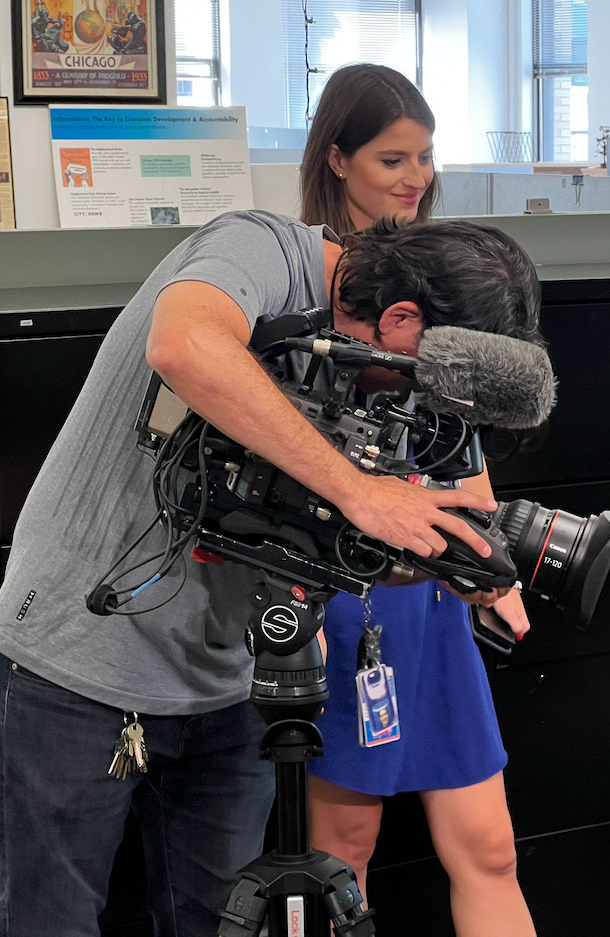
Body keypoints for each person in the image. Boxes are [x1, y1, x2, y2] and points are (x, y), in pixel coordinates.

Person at [0, 210, 542, 936]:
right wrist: (358, 491)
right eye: (423, 373)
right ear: (401, 315)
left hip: (228, 682)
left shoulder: (385, 365)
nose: (416, 396)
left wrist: (436, 555)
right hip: (81, 665)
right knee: (52, 922)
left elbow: (311, 525)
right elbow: (184, 343)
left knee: (214, 919)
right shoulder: (256, 248)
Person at [297, 63, 538, 937]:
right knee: (345, 855)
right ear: (337, 159)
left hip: (435, 597)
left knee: (490, 848)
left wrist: (492, 564)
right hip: (347, 603)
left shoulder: (448, 281)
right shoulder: (305, 287)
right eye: (393, 157)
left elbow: (461, 446)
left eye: (425, 157)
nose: (414, 177)